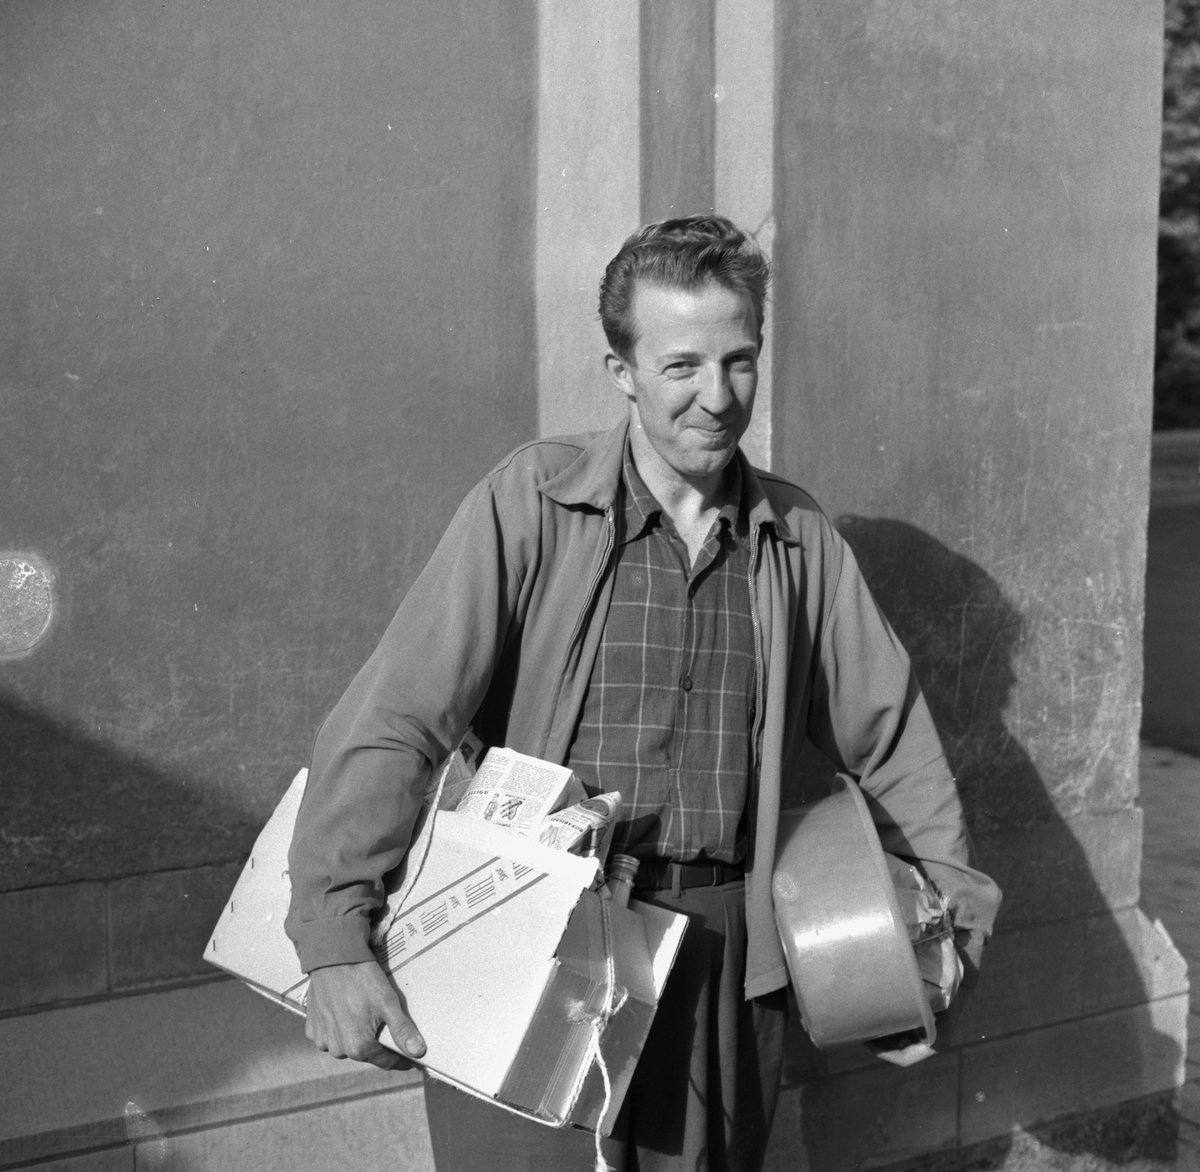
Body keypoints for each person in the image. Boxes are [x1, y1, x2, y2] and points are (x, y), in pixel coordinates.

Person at [285, 215, 1002, 1171]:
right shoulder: (533, 504)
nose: (718, 397)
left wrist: (945, 937)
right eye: (681, 367)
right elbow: (397, 719)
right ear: (620, 370)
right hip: (531, 933)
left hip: (723, 959)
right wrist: (336, 940)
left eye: (739, 361)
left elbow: (894, 744)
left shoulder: (799, 540)